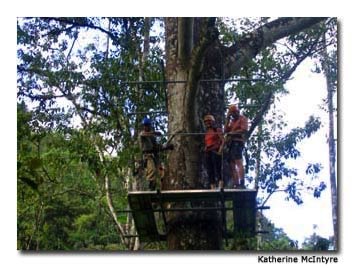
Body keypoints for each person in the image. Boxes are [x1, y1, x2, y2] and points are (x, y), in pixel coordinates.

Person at [139, 117, 173, 191]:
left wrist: (167, 147)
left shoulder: (152, 137)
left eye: (147, 125)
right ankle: (150, 188)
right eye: (145, 125)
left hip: (154, 156)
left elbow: (157, 147)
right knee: (152, 170)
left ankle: (161, 187)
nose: (146, 127)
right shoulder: (142, 134)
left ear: (150, 126)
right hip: (147, 156)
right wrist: (154, 133)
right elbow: (143, 134)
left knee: (162, 171)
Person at [224, 104, 248, 189]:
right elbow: (226, 130)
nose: (234, 114)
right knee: (232, 164)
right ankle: (236, 183)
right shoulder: (232, 121)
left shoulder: (242, 118)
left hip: (237, 142)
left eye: (235, 112)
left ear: (238, 111)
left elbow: (244, 129)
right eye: (232, 113)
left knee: (238, 162)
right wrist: (227, 118)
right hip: (230, 143)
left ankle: (242, 182)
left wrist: (232, 133)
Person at [203, 114, 225, 189]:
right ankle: (212, 187)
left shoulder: (217, 130)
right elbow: (207, 142)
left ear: (213, 121)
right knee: (210, 170)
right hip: (208, 152)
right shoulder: (206, 132)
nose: (207, 123)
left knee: (217, 168)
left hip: (215, 150)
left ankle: (220, 185)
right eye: (206, 122)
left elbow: (223, 141)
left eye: (209, 121)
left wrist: (220, 150)